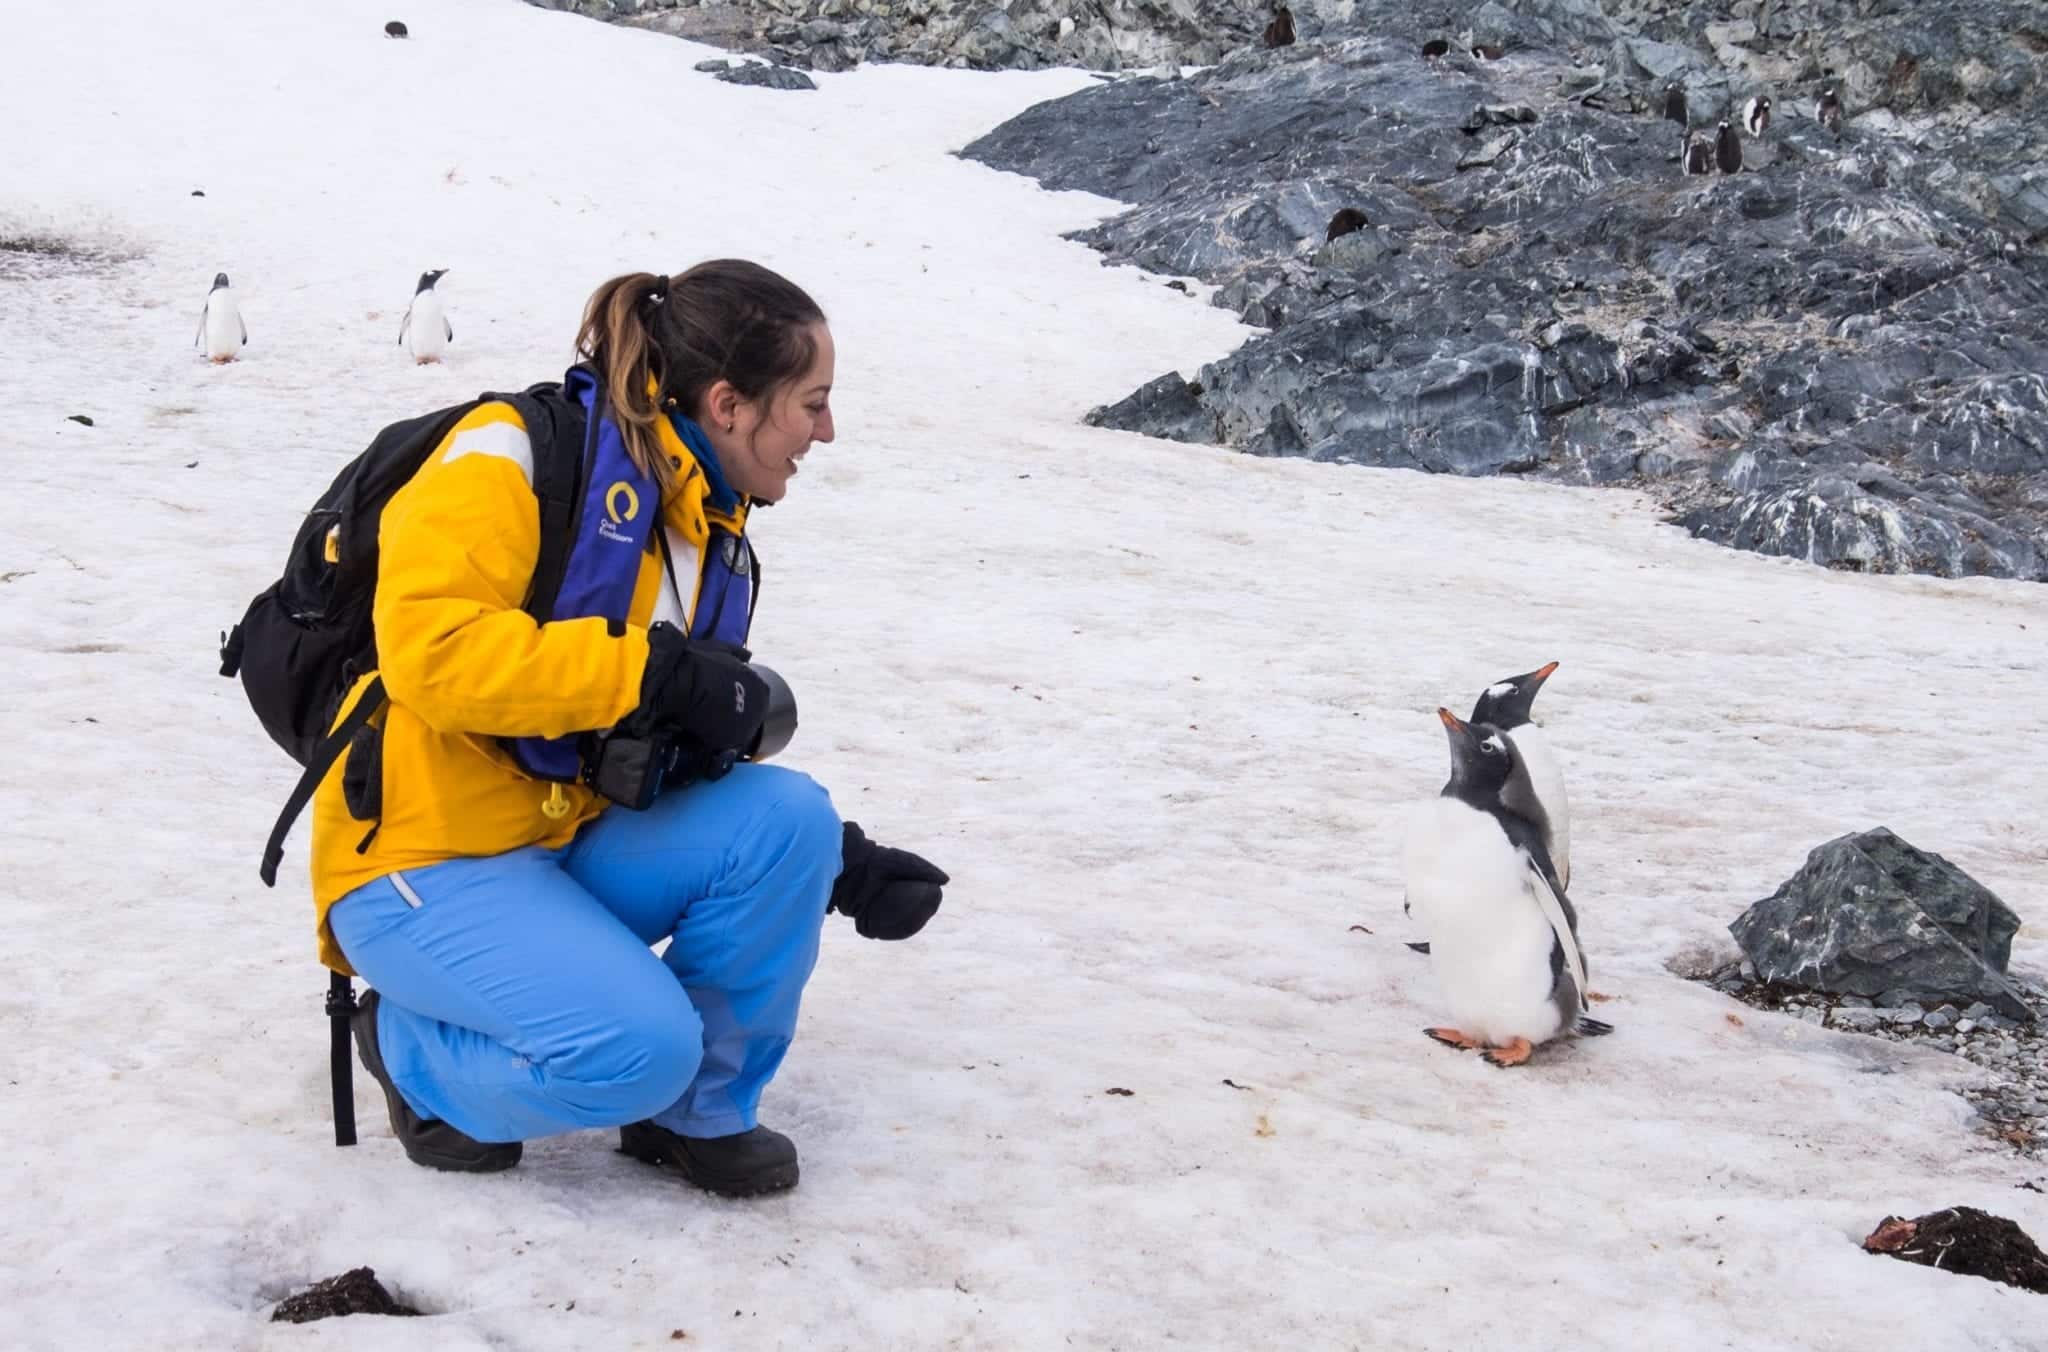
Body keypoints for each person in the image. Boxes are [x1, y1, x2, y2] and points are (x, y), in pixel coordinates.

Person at [310, 260, 949, 1197]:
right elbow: (431, 654)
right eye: (811, 403)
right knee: (636, 1049)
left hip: (560, 831)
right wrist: (649, 670)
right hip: (417, 857)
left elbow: (666, 740)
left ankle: (695, 1117)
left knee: (791, 820)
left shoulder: (697, 516)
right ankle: (410, 1050)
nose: (826, 430)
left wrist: (843, 866)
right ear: (730, 403)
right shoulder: (514, 454)